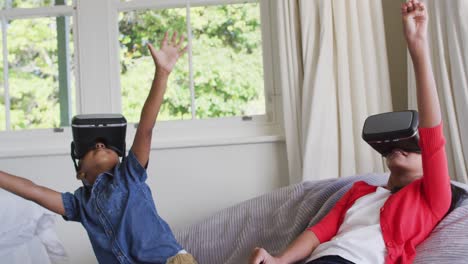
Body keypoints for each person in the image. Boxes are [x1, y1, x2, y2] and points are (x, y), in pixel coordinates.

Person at [249, 1, 466, 264]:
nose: (401, 145)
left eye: (413, 145)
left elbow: (432, 136)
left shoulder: (432, 197)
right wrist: (279, 260)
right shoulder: (359, 192)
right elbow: (319, 232)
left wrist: (417, 48)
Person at [0, 31, 197, 264]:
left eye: (108, 145)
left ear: (121, 157)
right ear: (80, 170)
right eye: (91, 147)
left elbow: (146, 127)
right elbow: (33, 190)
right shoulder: (78, 205)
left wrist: (162, 74)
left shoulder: (130, 175)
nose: (100, 143)